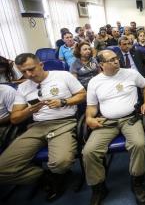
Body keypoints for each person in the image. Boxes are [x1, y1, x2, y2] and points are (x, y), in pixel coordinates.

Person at [0, 53, 86, 201]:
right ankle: (46, 176)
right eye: (23, 72)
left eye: (31, 69)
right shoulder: (23, 87)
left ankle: (56, 174)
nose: (28, 74)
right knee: (2, 169)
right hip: (36, 127)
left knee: (61, 163)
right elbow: (14, 118)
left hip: (63, 123)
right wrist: (28, 111)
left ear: (41, 64)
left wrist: (64, 102)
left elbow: (82, 95)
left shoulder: (63, 76)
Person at [83, 49, 145, 205]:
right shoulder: (95, 82)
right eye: (111, 60)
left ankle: (137, 182)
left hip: (130, 119)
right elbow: (92, 106)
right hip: (106, 121)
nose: (116, 61)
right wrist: (88, 118)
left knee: (139, 144)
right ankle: (99, 187)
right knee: (88, 151)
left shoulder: (131, 73)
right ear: (101, 65)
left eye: (116, 58)